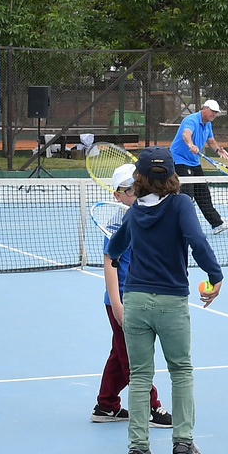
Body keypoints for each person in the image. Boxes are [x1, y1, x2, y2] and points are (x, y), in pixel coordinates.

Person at [103, 148, 223, 454]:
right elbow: (197, 240)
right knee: (181, 371)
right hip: (171, 303)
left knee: (140, 375)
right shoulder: (181, 204)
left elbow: (114, 250)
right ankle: (183, 443)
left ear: (139, 179)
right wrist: (215, 276)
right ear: (172, 176)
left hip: (136, 302)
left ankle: (138, 451)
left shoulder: (133, 212)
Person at [89, 163, 173, 430]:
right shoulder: (117, 224)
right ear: (117, 195)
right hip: (123, 301)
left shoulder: (144, 219)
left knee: (120, 353)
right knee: (136, 358)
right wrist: (117, 304)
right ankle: (150, 406)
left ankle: (106, 405)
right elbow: (110, 266)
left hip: (141, 296)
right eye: (128, 190)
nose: (135, 194)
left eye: (138, 188)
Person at [168, 100, 228, 235]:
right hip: (179, 160)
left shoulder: (208, 124)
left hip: (194, 162)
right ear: (204, 109)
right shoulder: (190, 120)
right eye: (212, 111)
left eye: (216, 112)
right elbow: (186, 134)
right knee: (187, 195)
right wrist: (190, 144)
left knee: (203, 194)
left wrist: (218, 150)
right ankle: (181, 226)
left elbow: (211, 141)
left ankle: (217, 224)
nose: (214, 114)